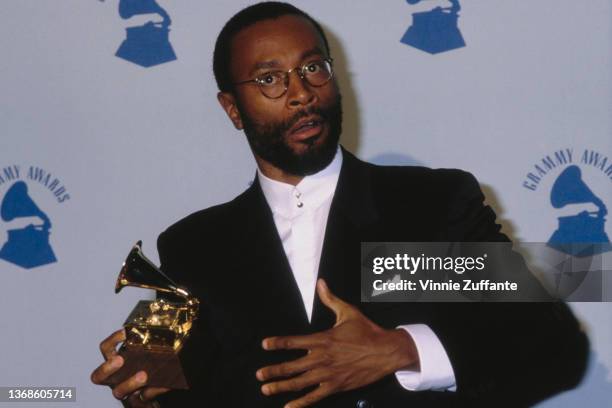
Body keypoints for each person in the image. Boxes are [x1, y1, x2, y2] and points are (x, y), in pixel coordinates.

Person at [91, 2, 589, 407]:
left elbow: (551, 344)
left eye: (312, 68)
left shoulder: (429, 207)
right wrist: (149, 390)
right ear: (232, 109)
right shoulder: (195, 247)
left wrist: (401, 350)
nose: (301, 94)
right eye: (270, 79)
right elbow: (195, 390)